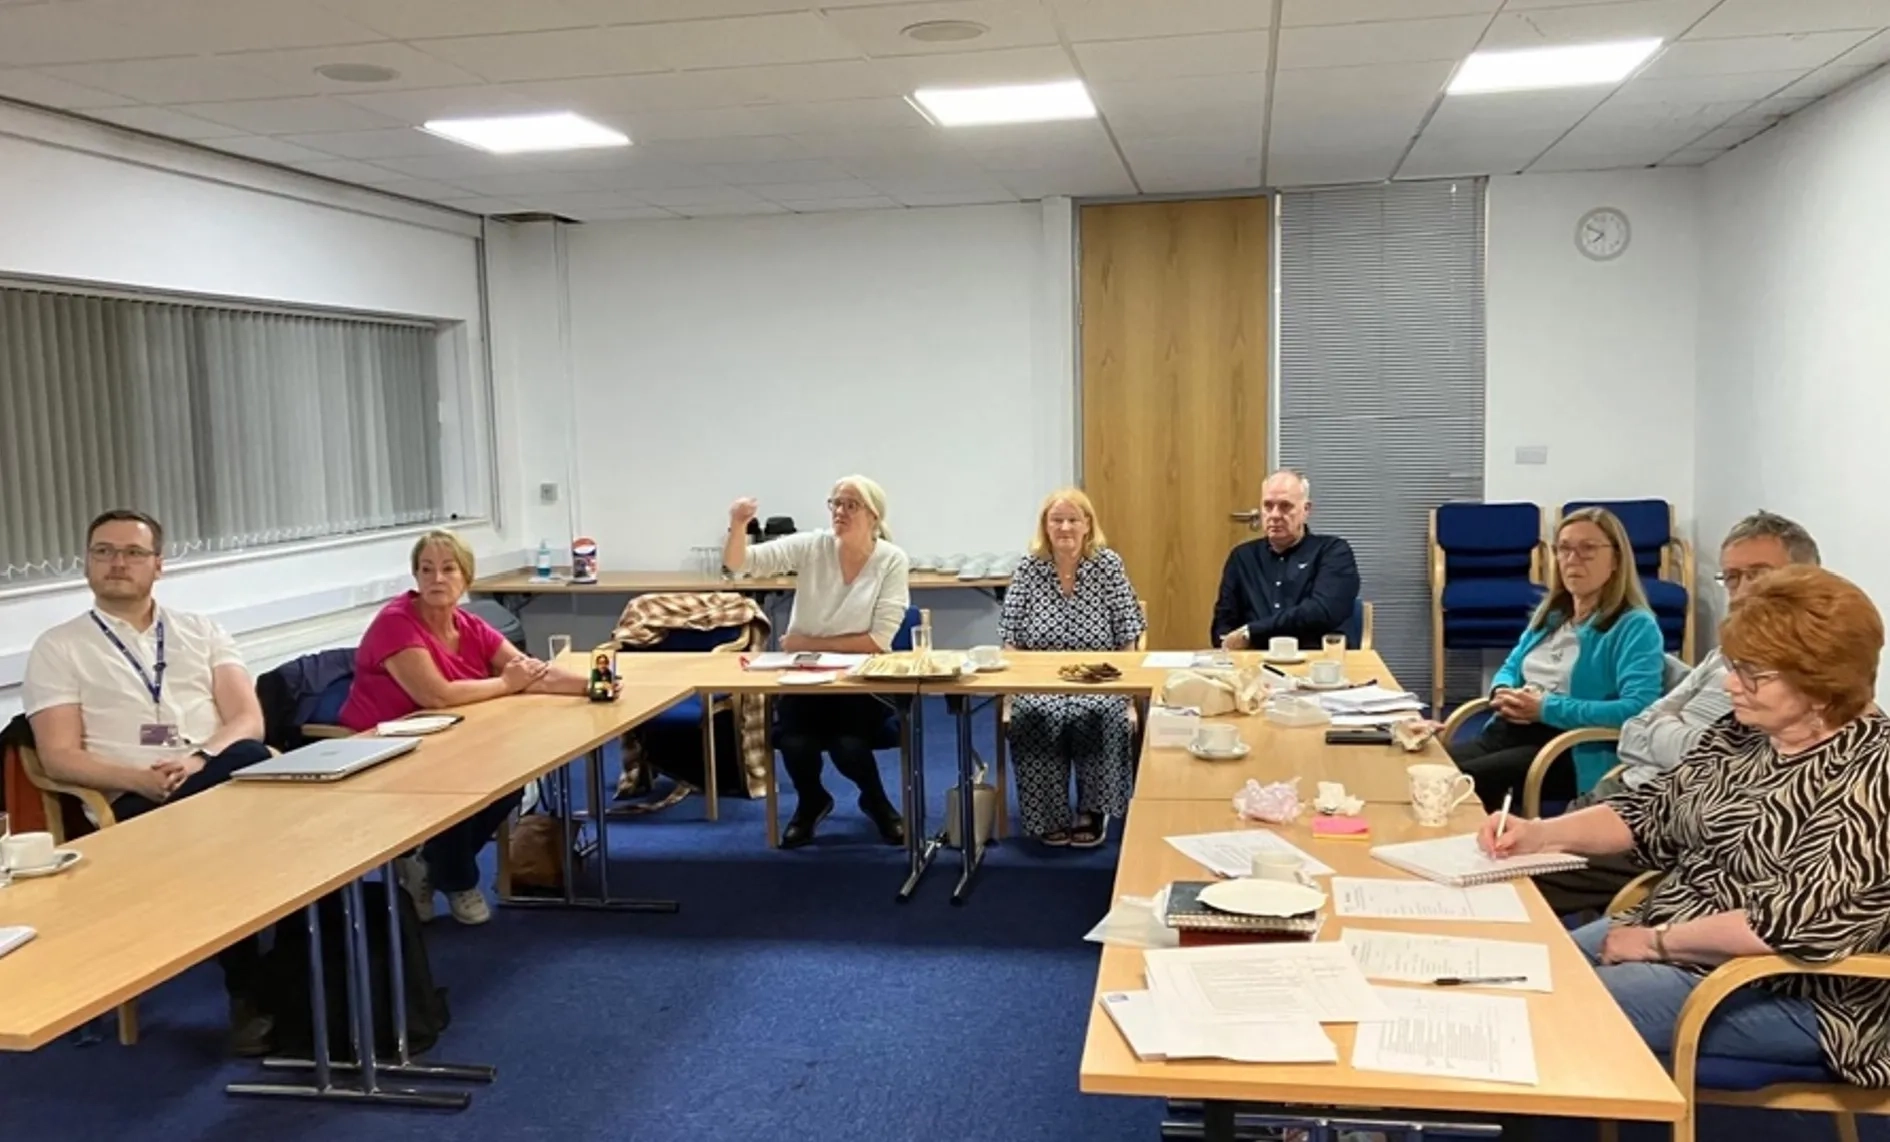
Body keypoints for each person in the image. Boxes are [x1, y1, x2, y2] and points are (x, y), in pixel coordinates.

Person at [1479, 566, 1890, 1083]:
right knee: (1513, 975)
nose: (1729, 683)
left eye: (1752, 673)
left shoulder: (1873, 778)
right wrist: (1537, 833)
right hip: (1678, 932)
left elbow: (1780, 928)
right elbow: (1650, 812)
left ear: (1822, 685)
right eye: (1734, 665)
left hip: (1792, 987)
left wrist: (1656, 943)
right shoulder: (1745, 734)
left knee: (1548, 1012)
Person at [22, 509, 275, 1055]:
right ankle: (256, 993)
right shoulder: (58, 647)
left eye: (133, 553)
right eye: (103, 551)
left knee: (248, 766)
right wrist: (136, 776)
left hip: (214, 776)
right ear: (85, 564)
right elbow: (58, 756)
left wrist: (200, 758)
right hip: (133, 804)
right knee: (254, 817)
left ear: (158, 565)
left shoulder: (201, 630)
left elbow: (247, 718)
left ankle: (285, 986)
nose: (117, 562)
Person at [1536, 511, 1821, 915]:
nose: (1741, 592)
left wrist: (1661, 731)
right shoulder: (1724, 655)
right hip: (1631, 795)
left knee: (1516, 882)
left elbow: (1716, 765)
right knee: (1505, 856)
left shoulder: (1803, 681)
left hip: (1670, 831)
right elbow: (1636, 728)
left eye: (1758, 575)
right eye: (1732, 578)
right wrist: (1665, 735)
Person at [339, 529, 591, 925]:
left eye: (447, 569)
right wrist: (507, 684)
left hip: (450, 734)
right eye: (426, 570)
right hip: (387, 740)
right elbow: (435, 696)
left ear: (465, 577)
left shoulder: (468, 624)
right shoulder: (396, 622)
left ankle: (433, 864)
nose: (436, 579)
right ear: (416, 577)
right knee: (467, 781)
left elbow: (530, 672)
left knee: (510, 782)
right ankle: (456, 879)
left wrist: (594, 685)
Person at [724, 476, 910, 849]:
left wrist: (804, 641)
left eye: (851, 505)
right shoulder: (812, 546)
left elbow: (876, 642)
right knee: (794, 743)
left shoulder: (891, 560)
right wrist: (739, 524)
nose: (840, 512)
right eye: (835, 504)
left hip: (861, 684)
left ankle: (876, 802)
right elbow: (740, 564)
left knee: (848, 745)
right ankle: (812, 802)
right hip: (804, 677)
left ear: (874, 515)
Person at [1448, 506, 1664, 810]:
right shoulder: (1553, 615)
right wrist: (1502, 691)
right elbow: (1512, 666)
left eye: (1587, 549)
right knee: (1434, 769)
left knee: (1460, 784)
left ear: (1616, 559)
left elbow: (1638, 709)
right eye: (1564, 549)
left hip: (1567, 747)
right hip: (1509, 729)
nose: (1572, 560)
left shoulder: (1635, 625)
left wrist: (1547, 708)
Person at [999, 489, 1146, 847]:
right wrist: (1015, 689)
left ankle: (1094, 811)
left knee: (1099, 715)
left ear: (1087, 525)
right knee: (1035, 714)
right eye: (1056, 520)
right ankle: (1048, 814)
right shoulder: (1029, 568)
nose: (1064, 527)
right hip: (1039, 681)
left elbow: (1129, 631)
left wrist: (1126, 692)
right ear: (1045, 527)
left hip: (1100, 679)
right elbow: (1010, 635)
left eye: (1073, 520)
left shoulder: (1107, 564)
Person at [1211, 470, 1359, 651]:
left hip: (1315, 661)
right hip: (1255, 663)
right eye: (1268, 506)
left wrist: (1252, 632)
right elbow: (1223, 623)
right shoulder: (1242, 557)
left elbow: (1322, 612)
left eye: (1285, 506)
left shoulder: (1333, 551)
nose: (1274, 515)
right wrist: (1228, 647)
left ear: (1306, 510)